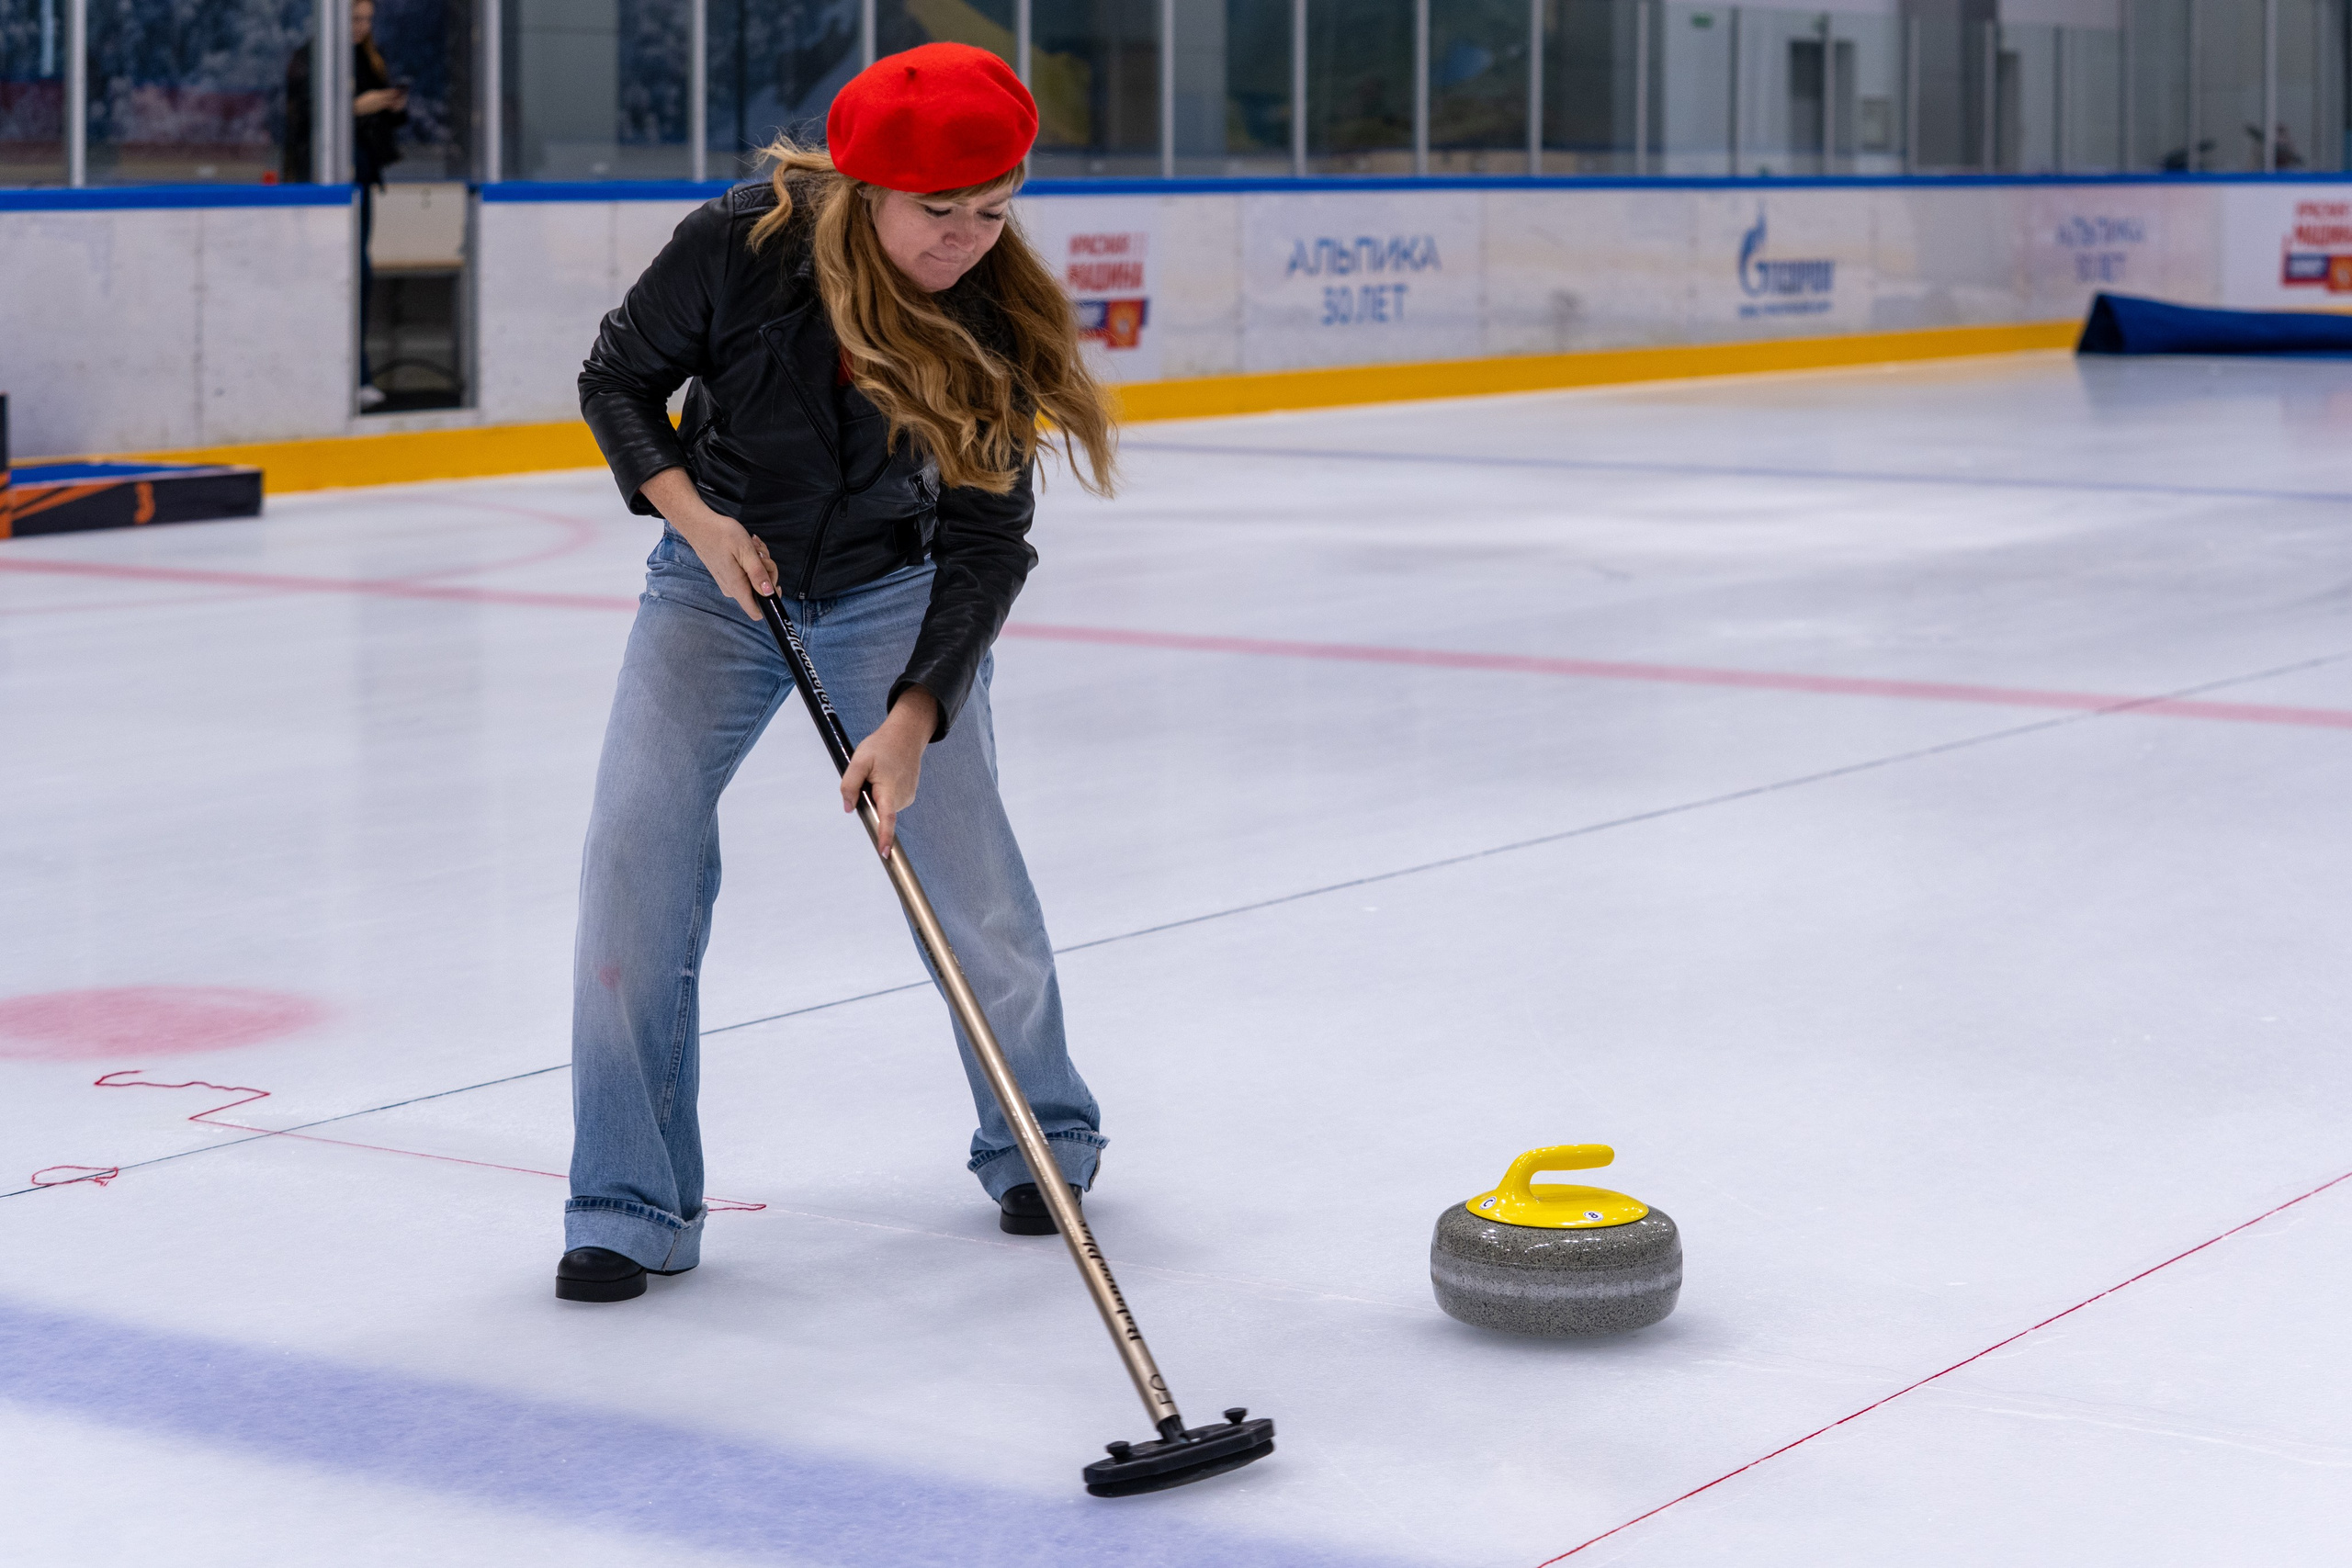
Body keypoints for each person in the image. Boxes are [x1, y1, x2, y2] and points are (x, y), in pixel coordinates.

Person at [559, 43, 1119, 1303]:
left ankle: (1042, 1138)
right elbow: (619, 380)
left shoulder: (987, 308)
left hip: (892, 589)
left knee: (968, 876)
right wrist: (698, 524)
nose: (970, 240)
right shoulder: (739, 244)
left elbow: (987, 536)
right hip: (713, 587)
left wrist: (918, 711)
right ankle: (628, 1203)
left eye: (994, 209)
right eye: (941, 214)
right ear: (866, 188)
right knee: (632, 862)